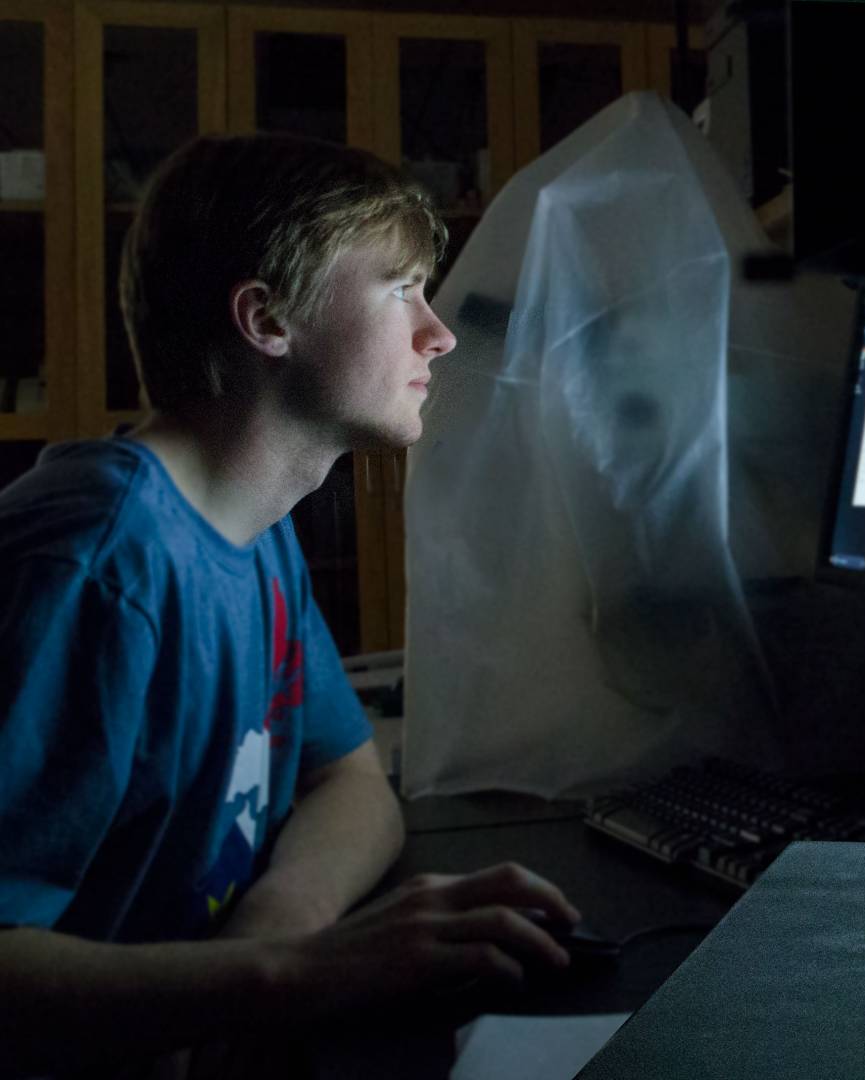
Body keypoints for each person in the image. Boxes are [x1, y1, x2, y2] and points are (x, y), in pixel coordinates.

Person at [0, 134, 576, 1078]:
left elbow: (350, 781)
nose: (438, 334)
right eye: (401, 290)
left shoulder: (251, 526)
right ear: (268, 320)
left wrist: (278, 933)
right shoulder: (96, 564)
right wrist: (293, 976)